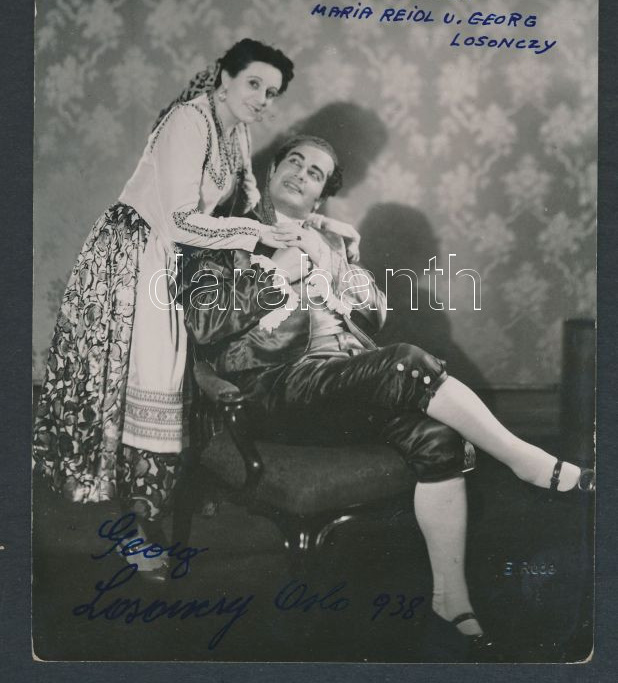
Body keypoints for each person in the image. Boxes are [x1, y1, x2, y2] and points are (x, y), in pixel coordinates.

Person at [181, 134, 594, 653]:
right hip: (276, 390)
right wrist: (276, 275)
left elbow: (373, 315)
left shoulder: (327, 241)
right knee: (406, 360)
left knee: (439, 440)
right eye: (295, 162)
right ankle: (524, 460)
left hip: (340, 382)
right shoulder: (227, 235)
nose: (301, 174)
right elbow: (202, 324)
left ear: (321, 195)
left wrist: (341, 262)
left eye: (314, 173)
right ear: (271, 172)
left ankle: (451, 601)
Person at [33, 38, 296, 544]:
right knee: (150, 376)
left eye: (272, 92)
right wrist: (255, 234)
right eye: (254, 84)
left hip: (174, 256)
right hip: (136, 251)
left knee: (174, 378)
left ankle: (155, 503)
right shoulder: (188, 122)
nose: (262, 99)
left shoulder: (236, 130)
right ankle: (139, 520)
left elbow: (247, 206)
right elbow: (178, 221)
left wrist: (305, 228)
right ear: (224, 78)